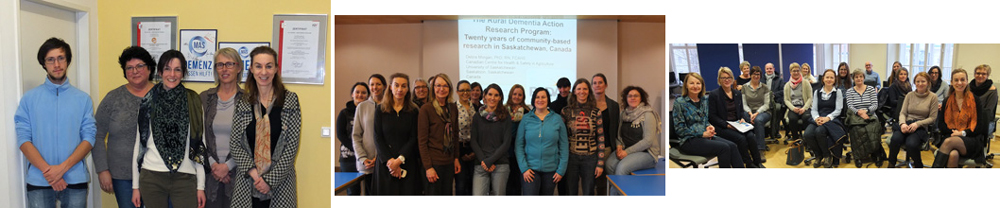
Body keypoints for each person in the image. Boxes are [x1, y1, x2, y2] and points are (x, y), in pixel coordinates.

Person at [15, 37, 95, 208]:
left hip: (75, 180)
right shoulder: (29, 99)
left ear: (67, 61)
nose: (56, 64)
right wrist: (49, 172)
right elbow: (23, 139)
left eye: (61, 58)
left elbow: (89, 139)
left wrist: (62, 169)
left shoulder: (83, 99)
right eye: (50, 60)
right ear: (44, 64)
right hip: (40, 180)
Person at [130, 49, 206, 208]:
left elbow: (199, 144)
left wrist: (200, 186)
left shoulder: (193, 101)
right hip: (151, 176)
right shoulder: (148, 102)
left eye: (177, 69)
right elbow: (139, 145)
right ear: (159, 72)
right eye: (167, 69)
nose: (172, 74)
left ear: (183, 73)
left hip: (185, 177)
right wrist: (135, 186)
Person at [229, 46, 301, 207]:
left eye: (269, 66)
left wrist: (269, 180)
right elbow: (235, 144)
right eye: (258, 66)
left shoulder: (290, 100)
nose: (264, 72)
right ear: (251, 69)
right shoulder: (243, 102)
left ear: (276, 69)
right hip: (248, 183)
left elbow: (291, 147)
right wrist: (255, 175)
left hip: (281, 183)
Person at [93, 46, 155, 208]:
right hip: (122, 176)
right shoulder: (113, 98)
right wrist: (102, 170)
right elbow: (97, 135)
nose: (135, 71)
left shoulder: (163, 96)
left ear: (149, 68)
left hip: (158, 175)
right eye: (129, 68)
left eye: (140, 66)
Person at [201, 48, 247, 207]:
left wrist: (227, 167)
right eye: (220, 65)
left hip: (239, 176)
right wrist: (214, 166)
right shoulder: (205, 98)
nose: (224, 69)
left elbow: (251, 141)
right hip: (209, 175)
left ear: (239, 67)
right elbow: (197, 136)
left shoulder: (249, 100)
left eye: (229, 64)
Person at [673, 73, 743, 168]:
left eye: (698, 83)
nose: (695, 86)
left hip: (705, 137)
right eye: (691, 83)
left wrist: (709, 126)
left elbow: (705, 120)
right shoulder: (680, 102)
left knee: (733, 145)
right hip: (689, 140)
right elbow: (680, 129)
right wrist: (702, 134)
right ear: (686, 85)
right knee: (724, 148)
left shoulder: (704, 100)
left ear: (702, 85)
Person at [372, 73, 422, 195]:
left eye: (404, 86)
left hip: (407, 162)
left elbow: (413, 137)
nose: (400, 89)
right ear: (390, 87)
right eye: (396, 85)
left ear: (408, 89)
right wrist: (391, 162)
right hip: (385, 164)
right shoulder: (380, 109)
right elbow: (377, 137)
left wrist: (399, 160)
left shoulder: (414, 110)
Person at [516, 87, 567, 195]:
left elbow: (564, 146)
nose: (540, 100)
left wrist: (561, 170)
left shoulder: (557, 119)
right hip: (530, 170)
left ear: (548, 99)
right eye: (537, 97)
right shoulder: (526, 119)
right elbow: (519, 145)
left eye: (543, 97)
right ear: (533, 100)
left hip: (551, 171)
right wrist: (524, 168)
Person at [709, 67, 763, 168]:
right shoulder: (714, 95)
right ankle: (749, 163)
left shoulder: (737, 93)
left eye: (729, 77)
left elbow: (741, 111)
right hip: (723, 127)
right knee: (741, 138)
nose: (726, 80)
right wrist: (727, 125)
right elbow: (712, 116)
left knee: (751, 136)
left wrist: (742, 118)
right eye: (723, 78)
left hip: (738, 124)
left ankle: (757, 162)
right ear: (719, 79)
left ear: (732, 79)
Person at [933, 69, 988, 167]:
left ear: (967, 81)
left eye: (962, 80)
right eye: (956, 80)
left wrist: (962, 133)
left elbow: (979, 127)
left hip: (971, 138)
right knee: (953, 154)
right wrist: (955, 132)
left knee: (949, 142)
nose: (959, 83)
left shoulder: (975, 100)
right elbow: (941, 125)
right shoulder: (947, 101)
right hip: (951, 135)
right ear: (951, 82)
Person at [560, 78, 606, 195]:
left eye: (585, 89)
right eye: (579, 88)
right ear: (574, 91)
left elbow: (600, 138)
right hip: (571, 158)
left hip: (590, 158)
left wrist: (600, 163)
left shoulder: (596, 112)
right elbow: (560, 137)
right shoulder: (566, 112)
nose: (582, 91)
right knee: (571, 192)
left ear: (589, 91)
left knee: (588, 192)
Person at [418, 73, 461, 195]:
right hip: (433, 163)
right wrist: (428, 167)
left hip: (448, 162)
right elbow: (422, 142)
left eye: (445, 85)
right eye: (438, 86)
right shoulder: (426, 109)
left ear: (450, 88)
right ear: (433, 88)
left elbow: (455, 135)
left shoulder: (452, 108)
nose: (441, 89)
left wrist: (456, 158)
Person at [605, 86, 660, 175]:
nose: (632, 98)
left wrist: (626, 152)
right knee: (609, 165)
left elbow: (648, 141)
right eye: (630, 96)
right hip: (625, 149)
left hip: (646, 153)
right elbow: (619, 135)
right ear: (626, 98)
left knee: (622, 168)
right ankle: (618, 188)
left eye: (636, 96)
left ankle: (619, 189)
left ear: (641, 98)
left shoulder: (648, 114)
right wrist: (619, 146)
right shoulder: (623, 114)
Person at [470, 84, 513, 195]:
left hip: (500, 165)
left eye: (496, 95)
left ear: (500, 98)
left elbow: (506, 142)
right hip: (481, 164)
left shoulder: (506, 117)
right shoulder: (477, 117)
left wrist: (490, 160)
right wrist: (484, 160)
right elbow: (473, 141)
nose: (492, 98)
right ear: (484, 96)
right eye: (490, 94)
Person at [888, 72, 937, 168]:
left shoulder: (933, 97)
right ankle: (891, 164)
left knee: (911, 144)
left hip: (920, 126)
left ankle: (919, 165)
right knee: (895, 139)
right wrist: (902, 124)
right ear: (914, 83)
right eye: (917, 81)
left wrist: (917, 124)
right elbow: (902, 113)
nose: (920, 84)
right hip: (906, 124)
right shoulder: (909, 95)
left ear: (928, 82)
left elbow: (932, 118)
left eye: (923, 81)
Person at [802, 69, 848, 168]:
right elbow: (813, 109)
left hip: (832, 119)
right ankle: (818, 155)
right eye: (827, 77)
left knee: (819, 132)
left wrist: (827, 118)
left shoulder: (838, 92)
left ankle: (827, 156)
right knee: (807, 134)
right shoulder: (817, 92)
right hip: (818, 118)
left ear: (835, 80)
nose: (829, 79)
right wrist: (817, 118)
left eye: (831, 77)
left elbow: (838, 110)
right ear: (823, 79)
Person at [351, 74, 386, 194]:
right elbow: (356, 136)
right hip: (368, 164)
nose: (375, 87)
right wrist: (363, 158)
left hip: (386, 162)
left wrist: (381, 156)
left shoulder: (390, 106)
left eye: (378, 84)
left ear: (384, 86)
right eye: (372, 84)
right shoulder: (362, 107)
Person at [845, 69, 887, 166]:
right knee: (857, 129)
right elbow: (850, 105)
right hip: (855, 114)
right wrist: (859, 112)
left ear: (864, 77)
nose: (859, 78)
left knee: (873, 128)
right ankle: (858, 156)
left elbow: (875, 105)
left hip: (870, 113)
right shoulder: (850, 91)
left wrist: (866, 111)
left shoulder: (871, 89)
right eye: (856, 77)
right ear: (853, 79)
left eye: (860, 76)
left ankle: (876, 154)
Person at [335, 82, 367, 195]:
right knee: (353, 192)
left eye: (363, 93)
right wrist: (358, 150)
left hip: (368, 159)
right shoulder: (344, 113)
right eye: (357, 92)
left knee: (369, 191)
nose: (360, 95)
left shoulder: (371, 113)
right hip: (349, 159)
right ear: (352, 94)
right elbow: (341, 135)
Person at [591, 73, 618, 195]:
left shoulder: (613, 105)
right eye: (595, 83)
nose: (597, 85)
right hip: (589, 149)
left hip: (606, 148)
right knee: (589, 181)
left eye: (600, 82)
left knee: (602, 182)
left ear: (606, 85)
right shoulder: (587, 105)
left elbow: (616, 128)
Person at [504, 84, 530, 195]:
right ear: (510, 95)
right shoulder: (503, 110)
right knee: (507, 183)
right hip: (505, 150)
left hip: (521, 150)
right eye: (514, 94)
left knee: (518, 183)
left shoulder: (527, 111)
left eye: (520, 95)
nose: (517, 97)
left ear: (523, 97)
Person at [741, 66, 771, 161]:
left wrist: (757, 113)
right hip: (749, 111)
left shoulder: (764, 87)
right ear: (750, 75)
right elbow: (744, 104)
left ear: (760, 76)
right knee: (745, 118)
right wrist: (750, 113)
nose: (756, 76)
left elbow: (766, 105)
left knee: (758, 120)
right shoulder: (745, 87)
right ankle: (747, 147)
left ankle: (760, 149)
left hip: (763, 112)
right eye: (754, 74)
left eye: (758, 74)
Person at [454, 80, 476, 195]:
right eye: (462, 90)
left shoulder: (475, 108)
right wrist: (460, 154)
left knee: (472, 184)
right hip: (459, 150)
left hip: (473, 149)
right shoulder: (453, 108)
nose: (465, 93)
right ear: (457, 92)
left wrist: (474, 152)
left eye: (468, 90)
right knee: (461, 185)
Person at [783, 62, 813, 143]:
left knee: (807, 118)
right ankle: (796, 140)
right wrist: (793, 108)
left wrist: (804, 108)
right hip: (793, 108)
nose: (796, 73)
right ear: (790, 72)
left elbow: (810, 97)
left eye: (797, 71)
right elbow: (786, 100)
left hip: (804, 107)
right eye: (794, 71)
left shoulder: (805, 82)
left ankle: (808, 141)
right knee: (792, 119)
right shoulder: (787, 85)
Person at [765, 63, 786, 140]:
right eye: (767, 69)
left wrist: (773, 94)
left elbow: (782, 91)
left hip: (776, 100)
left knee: (777, 109)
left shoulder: (779, 80)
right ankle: (766, 132)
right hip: (764, 101)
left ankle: (775, 132)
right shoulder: (762, 79)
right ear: (765, 70)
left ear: (773, 69)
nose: (769, 70)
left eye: (770, 68)